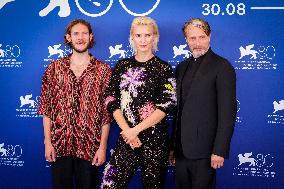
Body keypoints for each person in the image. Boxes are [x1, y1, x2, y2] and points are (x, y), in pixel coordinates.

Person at [100, 16, 177, 189]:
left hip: (155, 142)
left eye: (148, 35)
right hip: (127, 138)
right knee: (109, 185)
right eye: (139, 35)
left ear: (155, 37)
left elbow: (166, 105)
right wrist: (128, 131)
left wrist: (136, 130)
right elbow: (111, 99)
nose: (143, 40)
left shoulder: (163, 68)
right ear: (132, 38)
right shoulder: (122, 66)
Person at [38, 19, 112, 189]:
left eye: (84, 33)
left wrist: (102, 148)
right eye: (76, 34)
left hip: (90, 147)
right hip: (60, 145)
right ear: (68, 37)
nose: (80, 38)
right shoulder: (53, 68)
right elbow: (46, 109)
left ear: (90, 36)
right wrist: (48, 142)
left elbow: (106, 114)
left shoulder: (103, 71)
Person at [169, 18, 237, 189]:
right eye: (192, 38)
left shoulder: (222, 67)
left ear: (210, 36)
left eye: (201, 37)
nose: (197, 43)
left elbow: (227, 113)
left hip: (206, 151)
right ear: (186, 40)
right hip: (182, 150)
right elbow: (178, 112)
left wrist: (219, 150)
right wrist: (174, 147)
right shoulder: (181, 67)